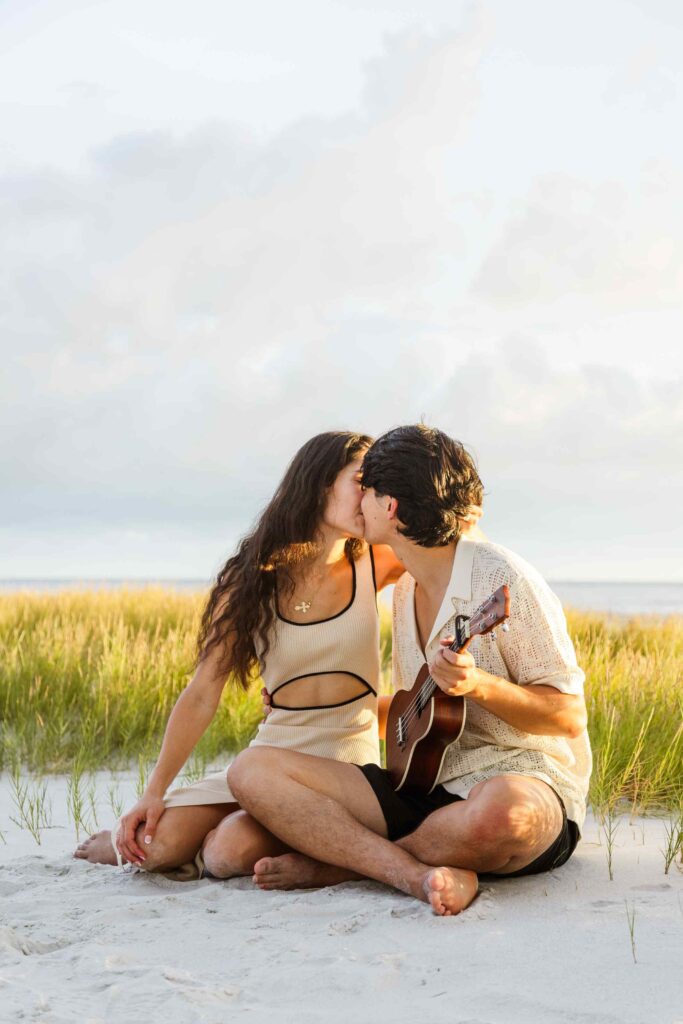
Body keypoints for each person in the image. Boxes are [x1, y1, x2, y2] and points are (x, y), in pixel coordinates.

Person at [73, 429, 484, 879]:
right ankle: (188, 834)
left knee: (227, 854)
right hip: (273, 753)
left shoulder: (376, 560)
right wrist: (154, 792)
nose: (371, 496)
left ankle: (230, 839)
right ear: (320, 483)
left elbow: (449, 541)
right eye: (361, 482)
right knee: (153, 847)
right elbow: (202, 692)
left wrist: (462, 509)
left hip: (346, 767)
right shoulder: (251, 582)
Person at [226, 424, 592, 916]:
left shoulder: (502, 578)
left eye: (367, 491)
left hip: (520, 779)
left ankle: (345, 867)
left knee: (504, 815)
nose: (359, 502)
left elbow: (567, 717)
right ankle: (409, 869)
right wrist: (303, 699)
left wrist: (478, 685)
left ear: (390, 506)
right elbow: (418, 719)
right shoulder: (402, 592)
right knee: (252, 769)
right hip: (425, 786)